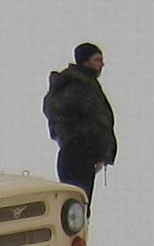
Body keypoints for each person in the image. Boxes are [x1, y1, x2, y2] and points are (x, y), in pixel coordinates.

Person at [44, 42, 115, 201]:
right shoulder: (77, 84)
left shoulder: (85, 83)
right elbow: (93, 119)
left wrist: (99, 153)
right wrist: (77, 138)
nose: (102, 64)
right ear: (85, 61)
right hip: (77, 153)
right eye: (97, 59)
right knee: (76, 205)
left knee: (80, 205)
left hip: (83, 154)